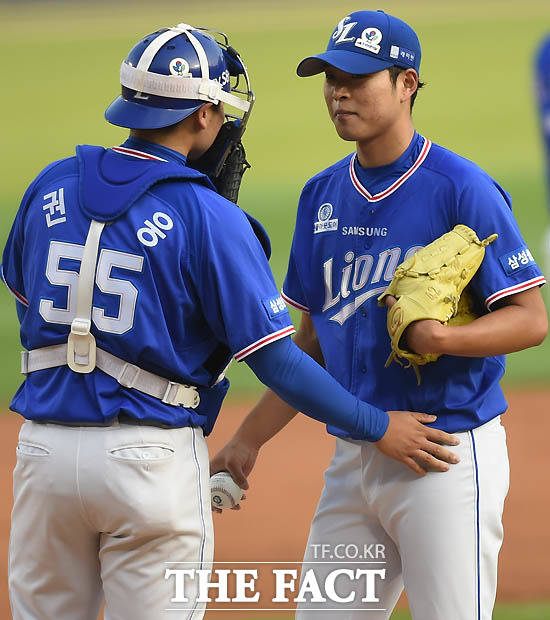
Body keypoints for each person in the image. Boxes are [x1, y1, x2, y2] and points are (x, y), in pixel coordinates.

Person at [0, 21, 460, 620]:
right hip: (147, 461)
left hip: (41, 455)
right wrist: (378, 425)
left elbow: (26, 300)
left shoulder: (47, 186)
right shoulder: (207, 213)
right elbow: (278, 359)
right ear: (201, 115)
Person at [211, 10, 548, 620]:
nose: (340, 93)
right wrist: (247, 440)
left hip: (444, 455)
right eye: (331, 78)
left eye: (359, 79)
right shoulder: (320, 197)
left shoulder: (461, 189)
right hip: (355, 456)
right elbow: (311, 348)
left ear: (406, 83)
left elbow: (531, 317)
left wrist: (442, 337)